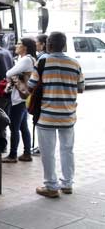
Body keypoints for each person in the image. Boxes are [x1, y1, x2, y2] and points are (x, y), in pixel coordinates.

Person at [29, 32, 84, 198]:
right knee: (67, 150)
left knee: (48, 152)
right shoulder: (75, 63)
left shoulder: (43, 61)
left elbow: (31, 86)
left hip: (47, 115)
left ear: (48, 45)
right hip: (68, 115)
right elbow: (80, 88)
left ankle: (51, 186)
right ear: (64, 45)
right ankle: (67, 184)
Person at [3, 38, 36, 163]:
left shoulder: (27, 59)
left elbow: (9, 73)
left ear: (25, 47)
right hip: (23, 97)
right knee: (23, 126)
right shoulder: (29, 59)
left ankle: (13, 155)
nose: (16, 45)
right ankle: (27, 153)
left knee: (14, 127)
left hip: (19, 98)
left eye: (19, 44)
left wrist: (13, 73)